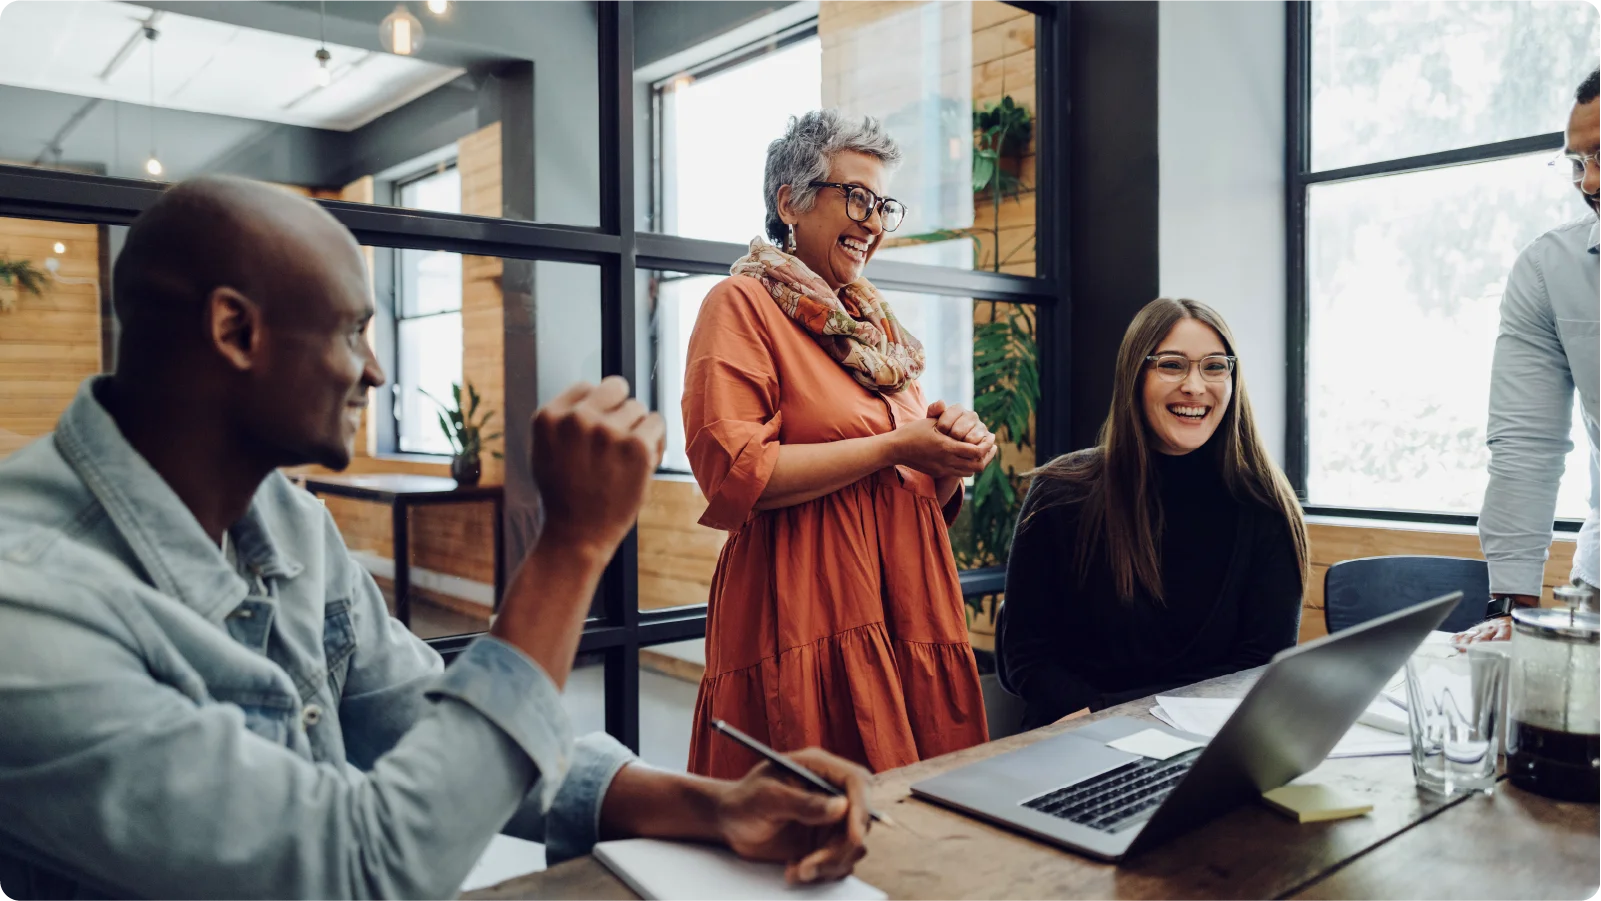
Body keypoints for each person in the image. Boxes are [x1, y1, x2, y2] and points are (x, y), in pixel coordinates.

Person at [0, 176, 874, 901]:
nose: (374, 369)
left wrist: (711, 804)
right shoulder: (28, 608)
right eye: (351, 331)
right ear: (235, 331)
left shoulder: (288, 518)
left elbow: (425, 719)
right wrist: (570, 546)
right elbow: (360, 866)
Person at [682, 110, 995, 779]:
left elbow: (915, 491)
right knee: (806, 828)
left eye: (882, 204)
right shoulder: (740, 305)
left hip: (907, 607)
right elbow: (738, 473)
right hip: (803, 612)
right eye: (855, 196)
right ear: (788, 201)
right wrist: (894, 445)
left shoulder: (876, 331)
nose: (873, 221)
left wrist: (949, 457)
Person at [1001, 298, 1310, 731]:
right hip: (1078, 736)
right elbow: (1025, 655)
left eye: (1214, 366)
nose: (1195, 386)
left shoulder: (1266, 505)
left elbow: (1259, 667)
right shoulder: (1061, 490)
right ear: (1135, 376)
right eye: (1172, 365)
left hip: (1207, 745)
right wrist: (1105, 719)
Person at [1457, 66, 1601, 645]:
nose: (1588, 183)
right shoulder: (1549, 269)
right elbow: (1525, 446)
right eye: (1578, 162)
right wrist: (1511, 613)